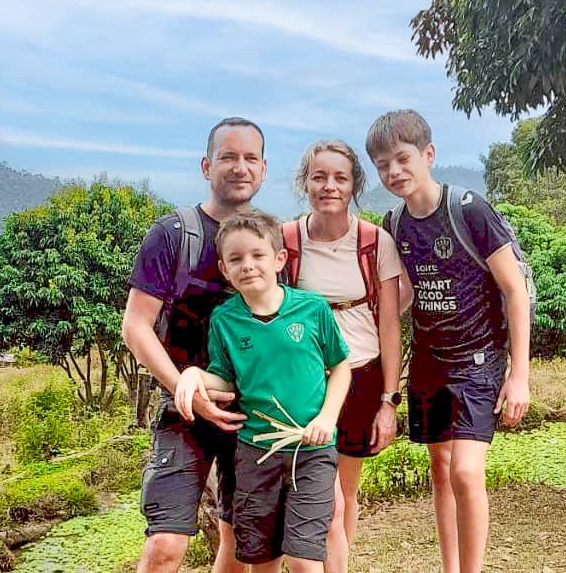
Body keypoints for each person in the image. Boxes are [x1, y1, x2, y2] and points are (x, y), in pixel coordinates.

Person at [365, 110, 531, 573]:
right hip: (429, 362)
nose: (394, 171)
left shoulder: (469, 210)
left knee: (464, 471)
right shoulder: (393, 223)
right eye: (383, 165)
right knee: (440, 469)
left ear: (428, 154)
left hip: (478, 359)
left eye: (402, 158)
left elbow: (515, 289)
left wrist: (519, 375)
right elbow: (399, 300)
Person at [122, 117, 266, 573]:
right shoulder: (172, 236)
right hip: (182, 411)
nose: (239, 167)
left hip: (253, 411)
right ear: (207, 166)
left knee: (241, 542)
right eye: (228, 157)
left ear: (263, 169)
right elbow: (136, 327)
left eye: (250, 158)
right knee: (166, 544)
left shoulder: (272, 242)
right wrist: (185, 388)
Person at [174, 211, 352, 573]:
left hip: (311, 449)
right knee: (261, 559)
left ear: (279, 259)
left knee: (305, 559)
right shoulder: (225, 319)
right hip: (256, 453)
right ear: (224, 269)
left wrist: (327, 417)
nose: (248, 266)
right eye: (236, 259)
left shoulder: (312, 309)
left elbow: (341, 367)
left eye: (257, 255)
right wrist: (193, 375)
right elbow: (225, 381)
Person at [283, 139, 406, 573]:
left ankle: (337, 564)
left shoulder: (375, 242)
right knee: (313, 491)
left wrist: (389, 402)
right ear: (305, 183)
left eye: (340, 178)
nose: (329, 186)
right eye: (319, 177)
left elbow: (390, 324)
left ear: (354, 185)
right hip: (304, 382)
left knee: (343, 493)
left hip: (362, 374)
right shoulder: (287, 240)